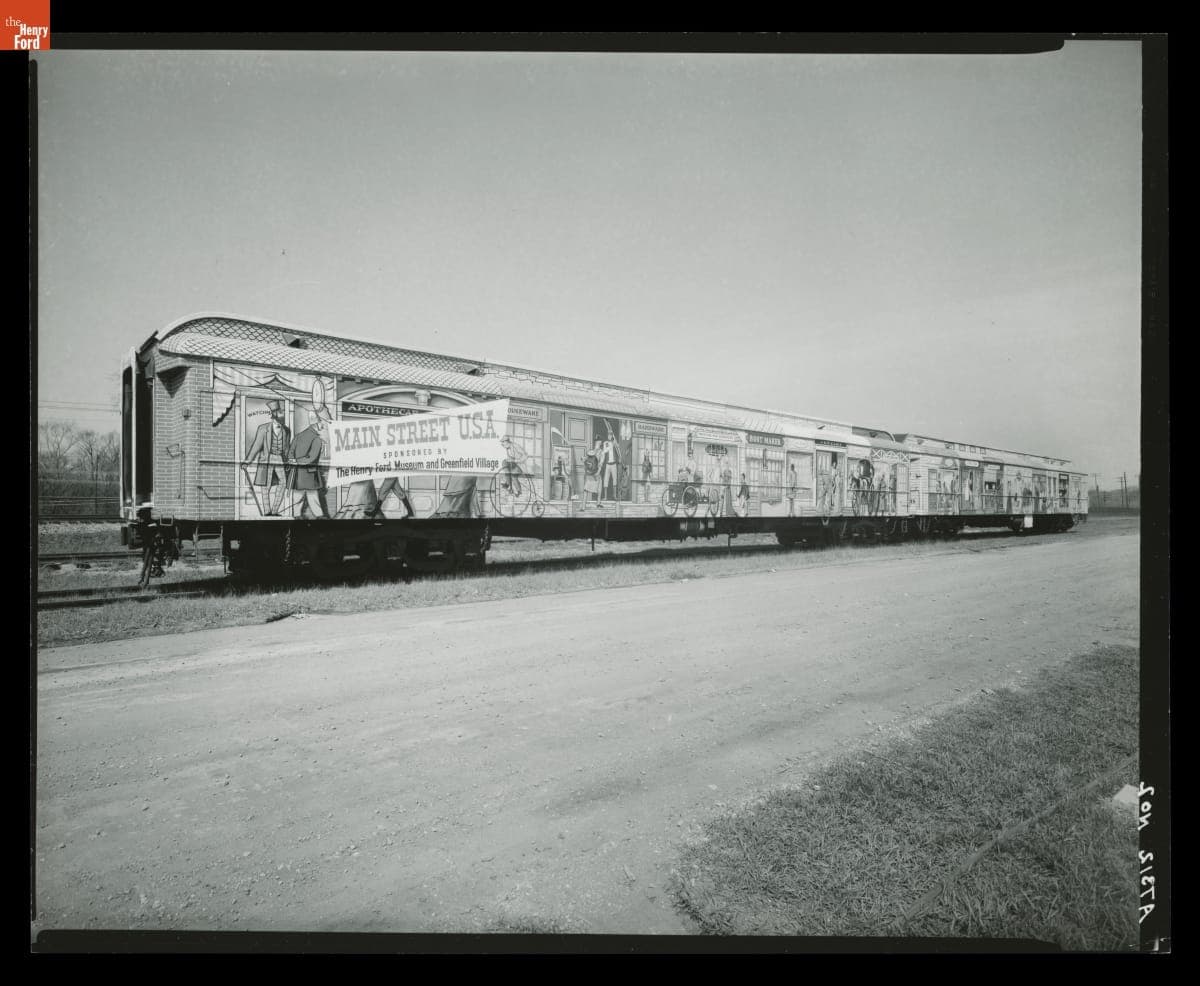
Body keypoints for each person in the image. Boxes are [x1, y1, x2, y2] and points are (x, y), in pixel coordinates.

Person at [244, 398, 292, 516]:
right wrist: (247, 461)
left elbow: (286, 448)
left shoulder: (286, 430)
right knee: (266, 485)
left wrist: (287, 462)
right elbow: (256, 446)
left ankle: (275, 511)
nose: (283, 417)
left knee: (283, 483)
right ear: (274, 416)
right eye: (280, 414)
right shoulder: (263, 429)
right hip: (267, 458)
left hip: (280, 459)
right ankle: (267, 511)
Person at [287, 404, 332, 518]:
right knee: (313, 497)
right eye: (322, 423)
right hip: (310, 473)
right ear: (316, 424)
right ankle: (320, 516)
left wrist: (294, 461)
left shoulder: (298, 436)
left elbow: (290, 452)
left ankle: (296, 516)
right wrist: (298, 462)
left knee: (297, 497)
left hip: (298, 474)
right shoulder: (317, 439)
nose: (323, 425)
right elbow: (311, 457)